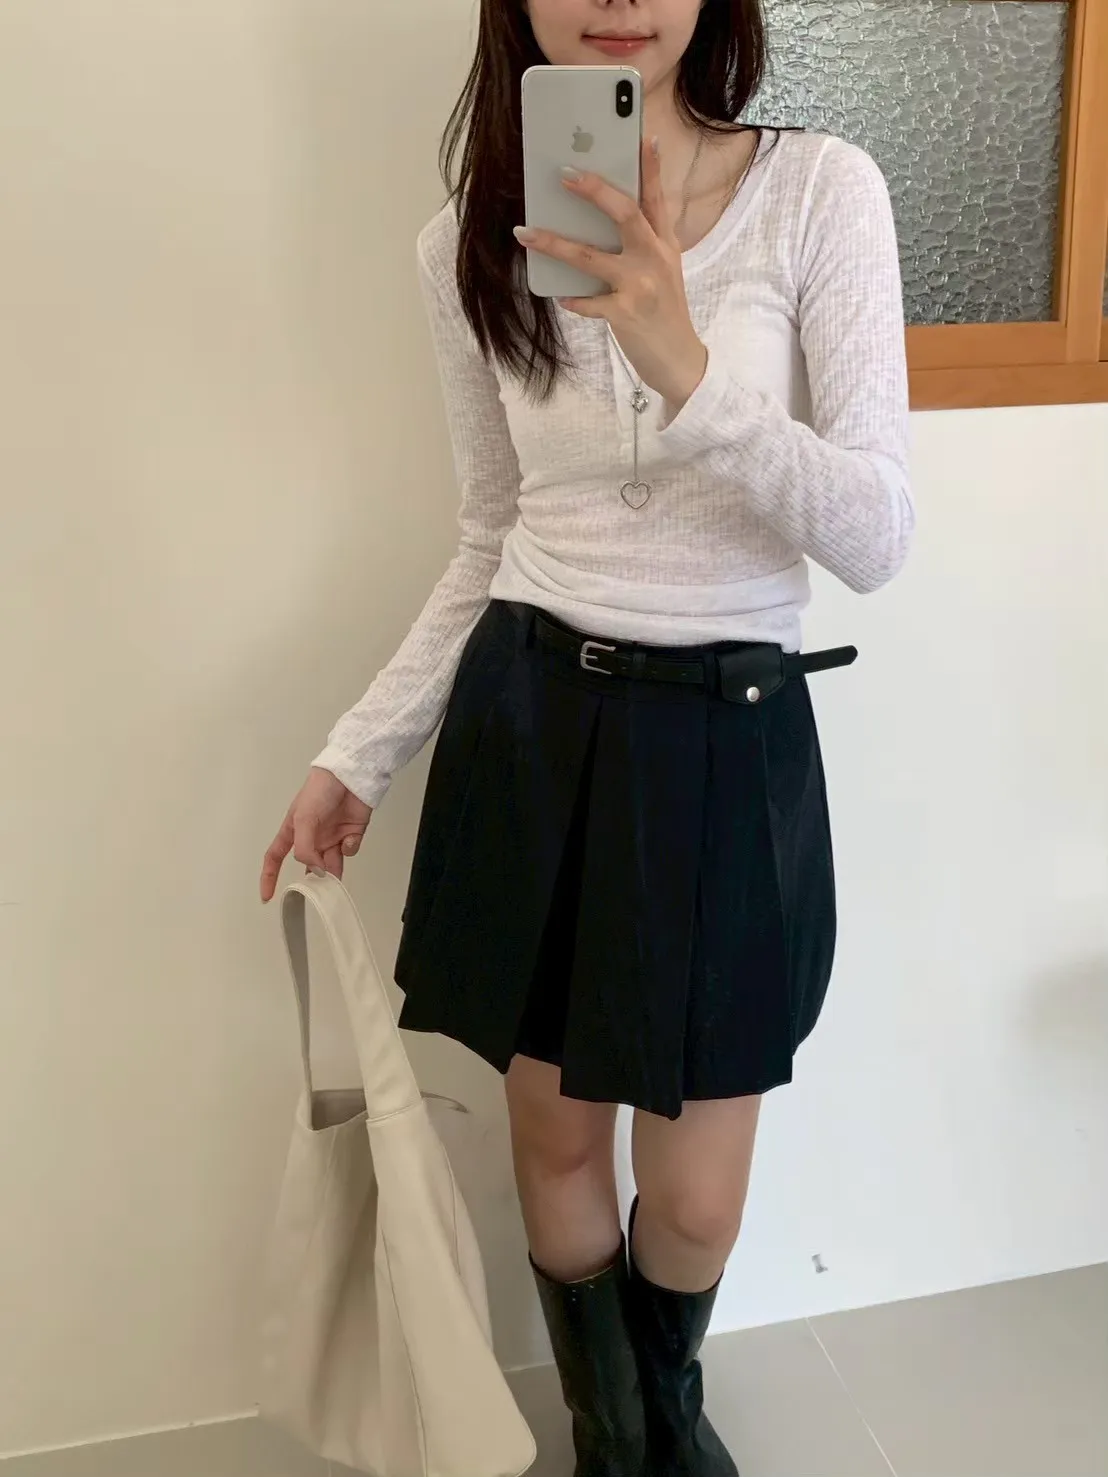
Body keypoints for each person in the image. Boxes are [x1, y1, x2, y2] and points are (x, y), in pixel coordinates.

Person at [262, 0, 913, 1471]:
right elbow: (492, 534)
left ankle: (667, 1411)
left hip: (729, 740)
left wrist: (689, 367)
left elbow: (878, 534)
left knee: (695, 1200)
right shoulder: (464, 247)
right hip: (536, 727)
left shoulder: (820, 192)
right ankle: (617, 1442)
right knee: (556, 1144)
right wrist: (358, 751)